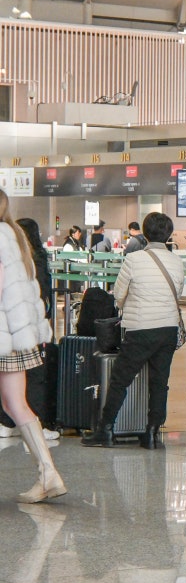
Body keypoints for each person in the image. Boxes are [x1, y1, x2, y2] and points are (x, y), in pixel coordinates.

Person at [82, 212, 185, 450]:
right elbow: (177, 294)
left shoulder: (134, 259)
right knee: (160, 383)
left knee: (120, 380)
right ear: (168, 235)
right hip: (168, 329)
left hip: (140, 329)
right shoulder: (177, 262)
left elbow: (118, 296)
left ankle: (105, 429)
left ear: (145, 233)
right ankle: (151, 433)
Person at [0, 191, 66, 504]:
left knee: (15, 404)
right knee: (17, 404)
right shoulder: (17, 237)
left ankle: (48, 474)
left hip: (2, 333)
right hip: (17, 337)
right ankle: (48, 473)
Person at [0, 218, 58, 440]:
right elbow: (42, 297)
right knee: (32, 378)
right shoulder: (34, 260)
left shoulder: (13, 256)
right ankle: (36, 430)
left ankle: (8, 422)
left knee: (11, 386)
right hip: (28, 330)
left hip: (11, 331)